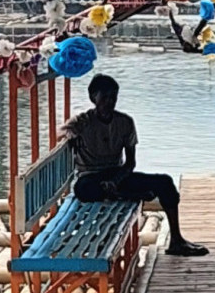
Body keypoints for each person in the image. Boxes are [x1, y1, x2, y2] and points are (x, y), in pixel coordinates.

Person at [62, 74, 207, 256]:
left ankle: (176, 240)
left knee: (165, 182)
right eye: (104, 97)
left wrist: (116, 180)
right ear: (93, 97)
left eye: (113, 97)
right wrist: (71, 135)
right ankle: (124, 194)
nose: (109, 102)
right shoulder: (83, 122)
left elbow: (130, 163)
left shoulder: (125, 122)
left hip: (118, 175)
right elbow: (64, 132)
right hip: (91, 177)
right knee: (83, 189)